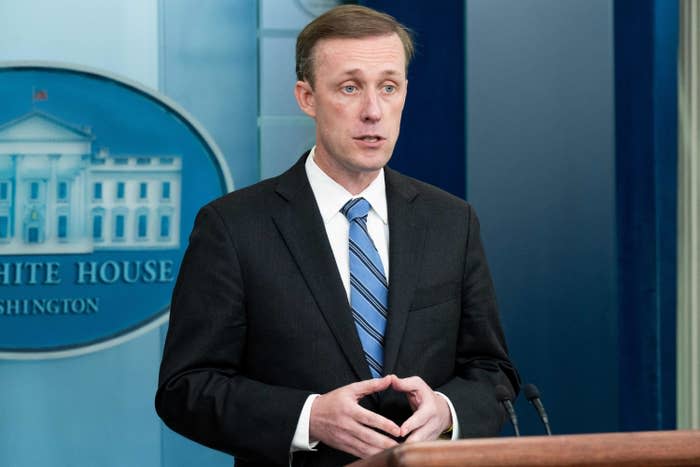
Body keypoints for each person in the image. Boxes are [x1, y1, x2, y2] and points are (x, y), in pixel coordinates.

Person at [155, 5, 519, 467]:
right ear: (306, 98)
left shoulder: (451, 220)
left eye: (388, 87)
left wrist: (446, 413)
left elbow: (493, 372)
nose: (373, 111)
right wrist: (309, 418)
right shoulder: (233, 226)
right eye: (350, 88)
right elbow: (185, 387)